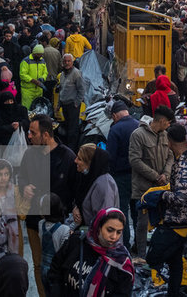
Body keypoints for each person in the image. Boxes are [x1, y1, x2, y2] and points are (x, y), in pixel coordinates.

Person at [146, 124, 187, 297]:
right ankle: (173, 293)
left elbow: (180, 199)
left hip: (179, 220)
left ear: (170, 141)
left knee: (154, 257)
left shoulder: (183, 167)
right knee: (175, 262)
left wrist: (161, 195)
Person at [20, 115, 77, 295]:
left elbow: (76, 186)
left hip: (60, 224)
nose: (29, 136)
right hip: (34, 219)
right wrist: (24, 187)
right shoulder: (29, 154)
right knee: (38, 265)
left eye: (33, 133)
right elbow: (21, 177)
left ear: (46, 135)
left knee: (59, 265)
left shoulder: (67, 156)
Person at [47, 208, 134, 297]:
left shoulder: (121, 261)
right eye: (110, 230)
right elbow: (56, 269)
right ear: (98, 227)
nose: (114, 236)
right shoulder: (77, 242)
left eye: (119, 232)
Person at [129, 106, 175, 261]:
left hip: (161, 189)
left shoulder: (164, 135)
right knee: (142, 225)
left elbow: (170, 156)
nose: (169, 125)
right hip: (143, 189)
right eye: (168, 122)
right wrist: (156, 176)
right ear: (161, 121)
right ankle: (142, 257)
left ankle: (156, 256)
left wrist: (166, 175)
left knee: (160, 223)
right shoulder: (138, 135)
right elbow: (135, 160)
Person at [106, 100, 140, 248]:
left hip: (121, 177)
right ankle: (139, 244)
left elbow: (110, 157)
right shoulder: (138, 125)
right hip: (138, 175)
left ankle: (123, 245)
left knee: (122, 212)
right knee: (137, 211)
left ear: (114, 115)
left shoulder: (115, 129)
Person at [0, 159, 28, 260]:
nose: (3, 178)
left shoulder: (16, 190)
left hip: (14, 239)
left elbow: (22, 215)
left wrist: (27, 199)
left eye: (6, 174)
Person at [73, 144, 120, 227]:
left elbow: (105, 219)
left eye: (80, 159)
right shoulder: (87, 177)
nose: (75, 161)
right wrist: (76, 207)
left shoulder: (104, 185)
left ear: (90, 163)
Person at [57, 53, 85, 151]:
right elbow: (61, 89)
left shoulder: (76, 73)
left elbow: (82, 90)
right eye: (65, 61)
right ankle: (68, 149)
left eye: (69, 61)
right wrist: (58, 104)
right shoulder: (62, 74)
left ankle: (72, 151)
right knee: (67, 127)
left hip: (72, 105)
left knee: (73, 130)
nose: (67, 63)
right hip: (65, 105)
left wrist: (76, 103)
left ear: (72, 62)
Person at [20, 44, 48, 109]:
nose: (40, 56)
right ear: (34, 53)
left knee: (37, 109)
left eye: (41, 54)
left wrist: (42, 78)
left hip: (39, 90)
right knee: (27, 109)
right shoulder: (26, 61)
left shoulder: (42, 61)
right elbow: (22, 75)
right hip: (27, 90)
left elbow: (45, 72)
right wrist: (33, 80)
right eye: (39, 54)